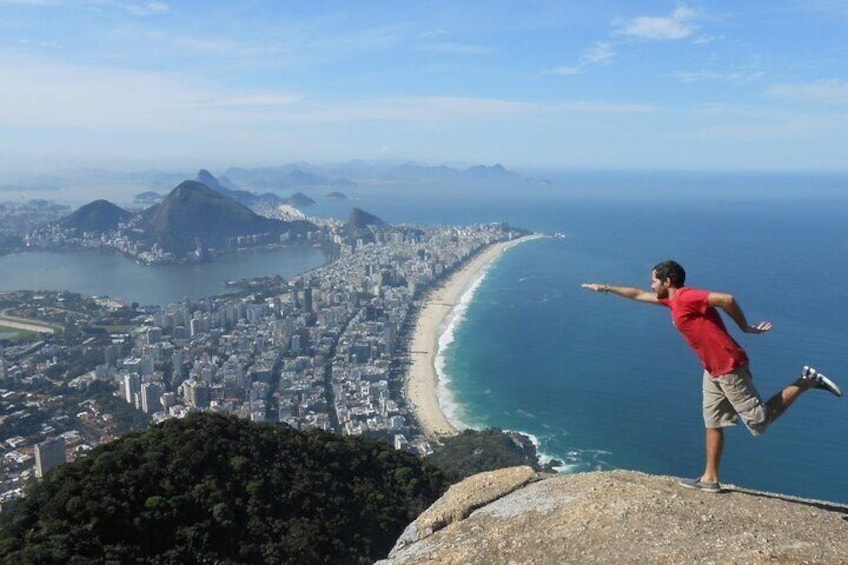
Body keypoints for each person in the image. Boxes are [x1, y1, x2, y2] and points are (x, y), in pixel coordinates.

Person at [582, 259, 841, 493]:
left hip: (728, 365)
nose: (650, 284)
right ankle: (709, 478)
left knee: (759, 422)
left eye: (654, 280)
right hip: (712, 369)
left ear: (667, 281)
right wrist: (604, 287)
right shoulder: (672, 300)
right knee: (713, 421)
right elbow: (637, 295)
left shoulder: (685, 297)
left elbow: (726, 299)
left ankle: (806, 381)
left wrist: (745, 328)